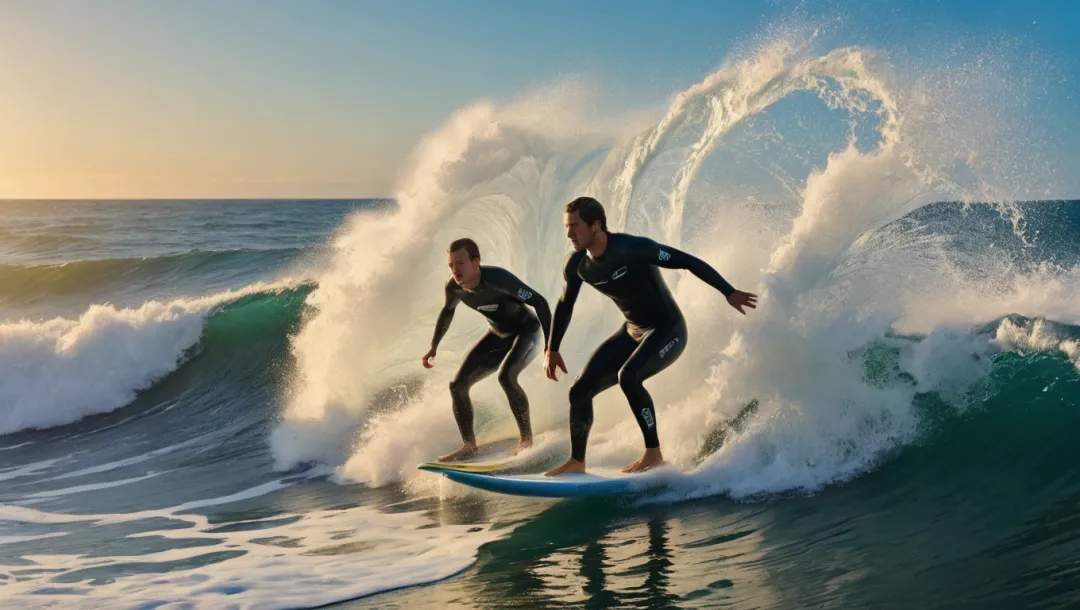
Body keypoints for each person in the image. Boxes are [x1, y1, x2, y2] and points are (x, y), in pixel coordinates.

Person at [543, 197, 758, 475]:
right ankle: (577, 461)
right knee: (579, 390)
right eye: (567, 227)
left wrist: (729, 292)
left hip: (668, 329)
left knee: (629, 377)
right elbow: (564, 305)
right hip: (633, 330)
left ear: (595, 225)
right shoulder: (577, 266)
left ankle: (654, 454)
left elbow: (687, 261)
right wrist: (552, 348)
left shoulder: (634, 248)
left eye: (574, 226)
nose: (569, 233)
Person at [424, 238, 552, 462]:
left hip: (526, 332)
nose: (455, 270)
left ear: (476, 262)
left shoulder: (499, 280)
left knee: (506, 376)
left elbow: (539, 302)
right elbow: (447, 312)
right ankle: (469, 445)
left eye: (460, 263)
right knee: (457, 385)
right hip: (498, 336)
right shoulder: (454, 288)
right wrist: (434, 346)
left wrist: (552, 347)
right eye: (451, 265)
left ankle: (526, 440)